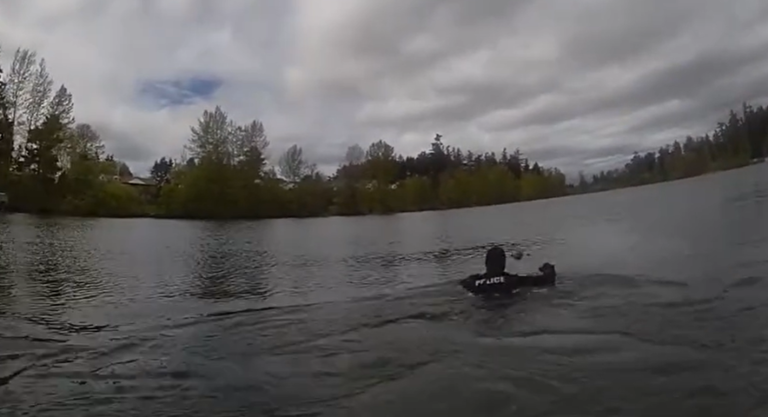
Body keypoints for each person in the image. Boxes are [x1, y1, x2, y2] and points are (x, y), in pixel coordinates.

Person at [459, 245, 556, 296]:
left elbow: (460, 285)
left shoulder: (472, 282)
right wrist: (548, 268)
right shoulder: (513, 280)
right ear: (503, 264)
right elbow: (547, 280)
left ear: (486, 263)